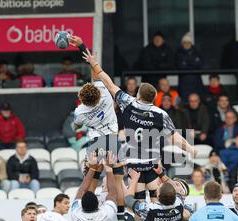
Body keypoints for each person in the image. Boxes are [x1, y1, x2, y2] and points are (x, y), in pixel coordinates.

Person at [80, 44, 195, 202]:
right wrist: (190, 149)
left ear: (139, 95)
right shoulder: (161, 114)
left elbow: (108, 82)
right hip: (153, 164)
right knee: (156, 202)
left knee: (138, 205)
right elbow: (175, 138)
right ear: (153, 99)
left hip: (134, 164)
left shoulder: (129, 102)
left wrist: (94, 63)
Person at [175, 32, 204, 102]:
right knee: (185, 103)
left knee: (196, 102)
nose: (187, 44)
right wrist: (192, 61)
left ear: (191, 44)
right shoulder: (178, 53)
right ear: (182, 44)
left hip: (196, 83)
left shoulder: (196, 52)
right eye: (185, 42)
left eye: (188, 42)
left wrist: (186, 62)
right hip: (183, 84)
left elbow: (200, 64)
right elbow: (180, 66)